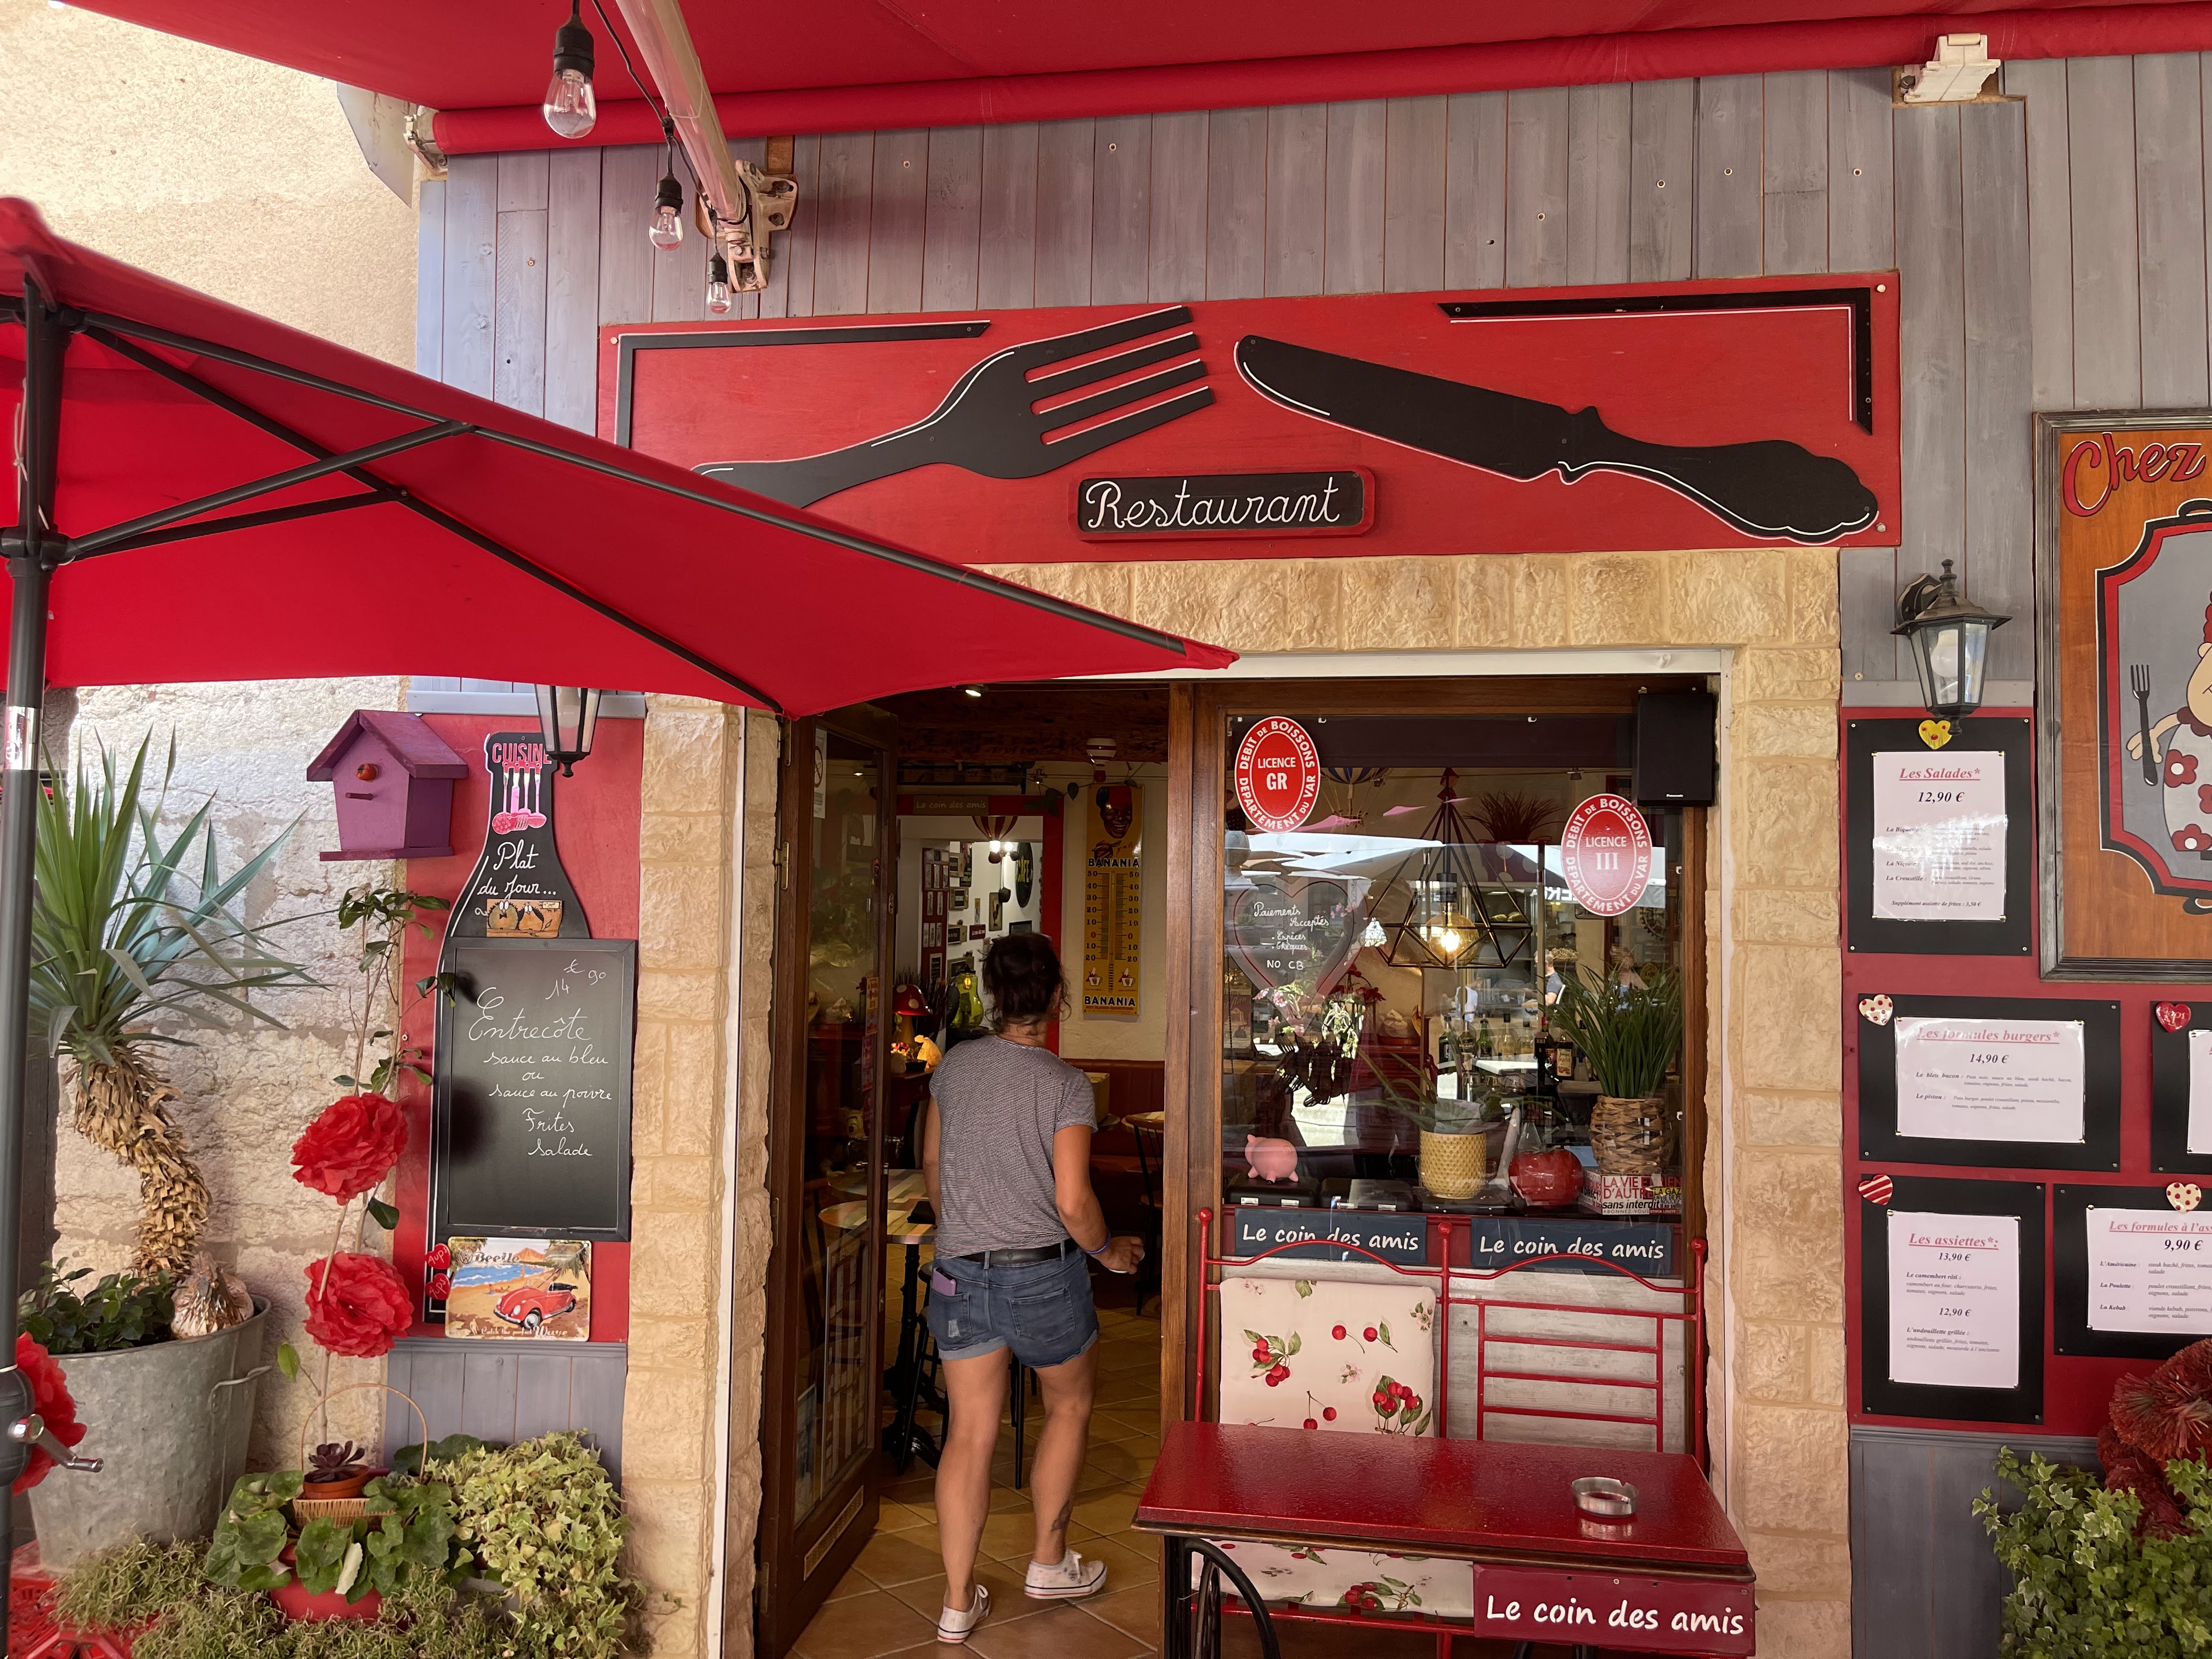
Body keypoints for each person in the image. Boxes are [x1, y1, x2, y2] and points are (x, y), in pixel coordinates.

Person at [919, 932, 1145, 1644]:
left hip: (961, 1273)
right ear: (1055, 997)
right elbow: (1073, 1200)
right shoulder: (1064, 1084)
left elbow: (934, 1163)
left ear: (993, 994)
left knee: (969, 1433)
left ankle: (958, 1602)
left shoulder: (954, 1068)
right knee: (1069, 1406)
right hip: (1044, 1273)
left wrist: (962, 1226)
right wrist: (1108, 1252)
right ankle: (1049, 1562)